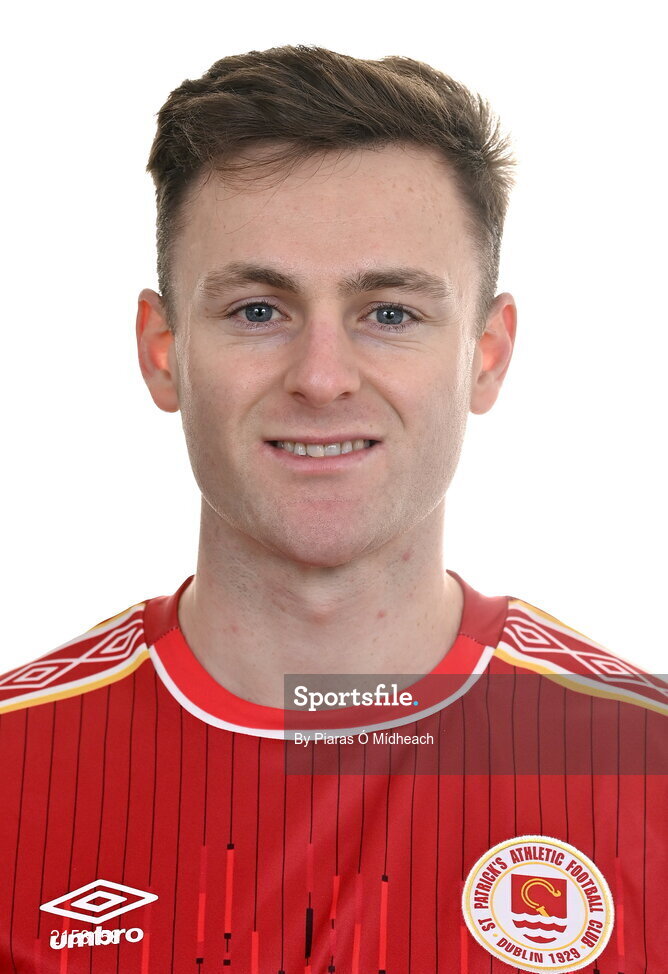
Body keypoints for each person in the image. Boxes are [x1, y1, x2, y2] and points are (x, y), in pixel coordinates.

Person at [1, 44, 666, 974]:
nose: (321, 378)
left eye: (389, 312)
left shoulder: (651, 770)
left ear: (487, 354)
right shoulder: (12, 769)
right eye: (258, 310)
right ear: (162, 349)